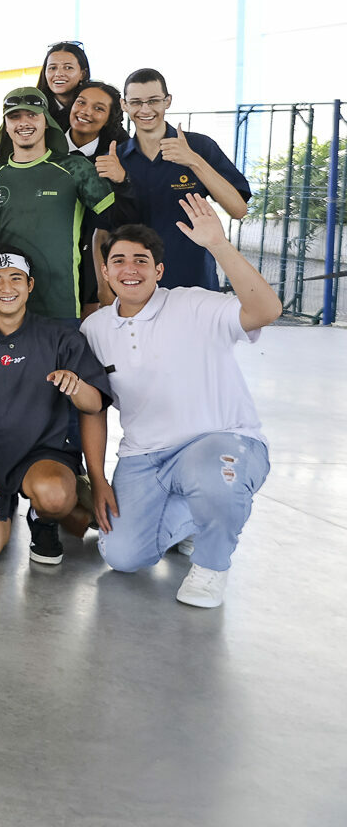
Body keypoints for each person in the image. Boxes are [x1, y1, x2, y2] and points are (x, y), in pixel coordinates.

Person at [84, 200, 280, 608]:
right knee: (121, 556)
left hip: (217, 441)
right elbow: (94, 408)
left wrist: (219, 245)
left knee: (214, 478)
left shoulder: (194, 304)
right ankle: (197, 515)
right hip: (144, 457)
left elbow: (266, 310)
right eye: (119, 260)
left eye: (141, 260)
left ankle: (211, 565)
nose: (130, 269)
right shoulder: (95, 329)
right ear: (105, 271)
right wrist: (98, 478)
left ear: (159, 270)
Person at [0, 251, 111, 567]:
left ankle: (43, 518)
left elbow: (95, 404)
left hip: (42, 456)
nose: (6, 288)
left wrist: (76, 385)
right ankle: (14, 506)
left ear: (30, 284)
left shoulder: (60, 337)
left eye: (16, 278)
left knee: (55, 496)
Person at [0, 87, 128, 323]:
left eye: (32, 115)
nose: (23, 123)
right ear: (5, 125)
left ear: (46, 122)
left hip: (62, 305)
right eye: (14, 116)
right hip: (7, 307)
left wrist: (123, 181)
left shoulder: (76, 169)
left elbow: (119, 220)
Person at [106, 68, 252, 292]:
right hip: (136, 284)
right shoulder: (116, 159)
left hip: (194, 281)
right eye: (136, 102)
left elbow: (238, 209)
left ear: (168, 101)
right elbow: (104, 229)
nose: (145, 109)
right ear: (124, 105)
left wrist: (194, 162)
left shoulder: (199, 147)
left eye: (153, 101)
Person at [65, 80, 128, 313]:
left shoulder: (117, 158)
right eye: (81, 103)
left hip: (95, 263)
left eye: (99, 108)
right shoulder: (44, 145)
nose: (86, 111)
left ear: (110, 118)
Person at [36, 41, 92, 133]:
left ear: (83, 74)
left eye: (68, 67)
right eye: (53, 68)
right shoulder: (33, 109)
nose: (58, 74)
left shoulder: (93, 109)